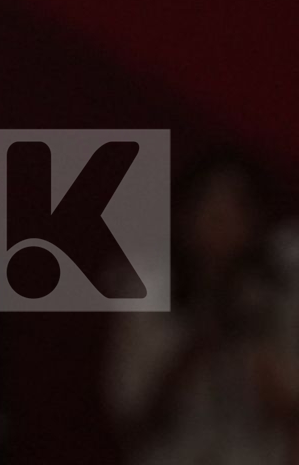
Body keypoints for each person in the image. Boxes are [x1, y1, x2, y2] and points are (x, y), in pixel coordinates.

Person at [106, 151, 299, 464]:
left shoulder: (281, 292)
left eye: (235, 207)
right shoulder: (146, 290)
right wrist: (194, 349)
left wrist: (254, 345)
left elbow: (289, 412)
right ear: (181, 215)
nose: (220, 220)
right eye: (207, 204)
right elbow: (132, 418)